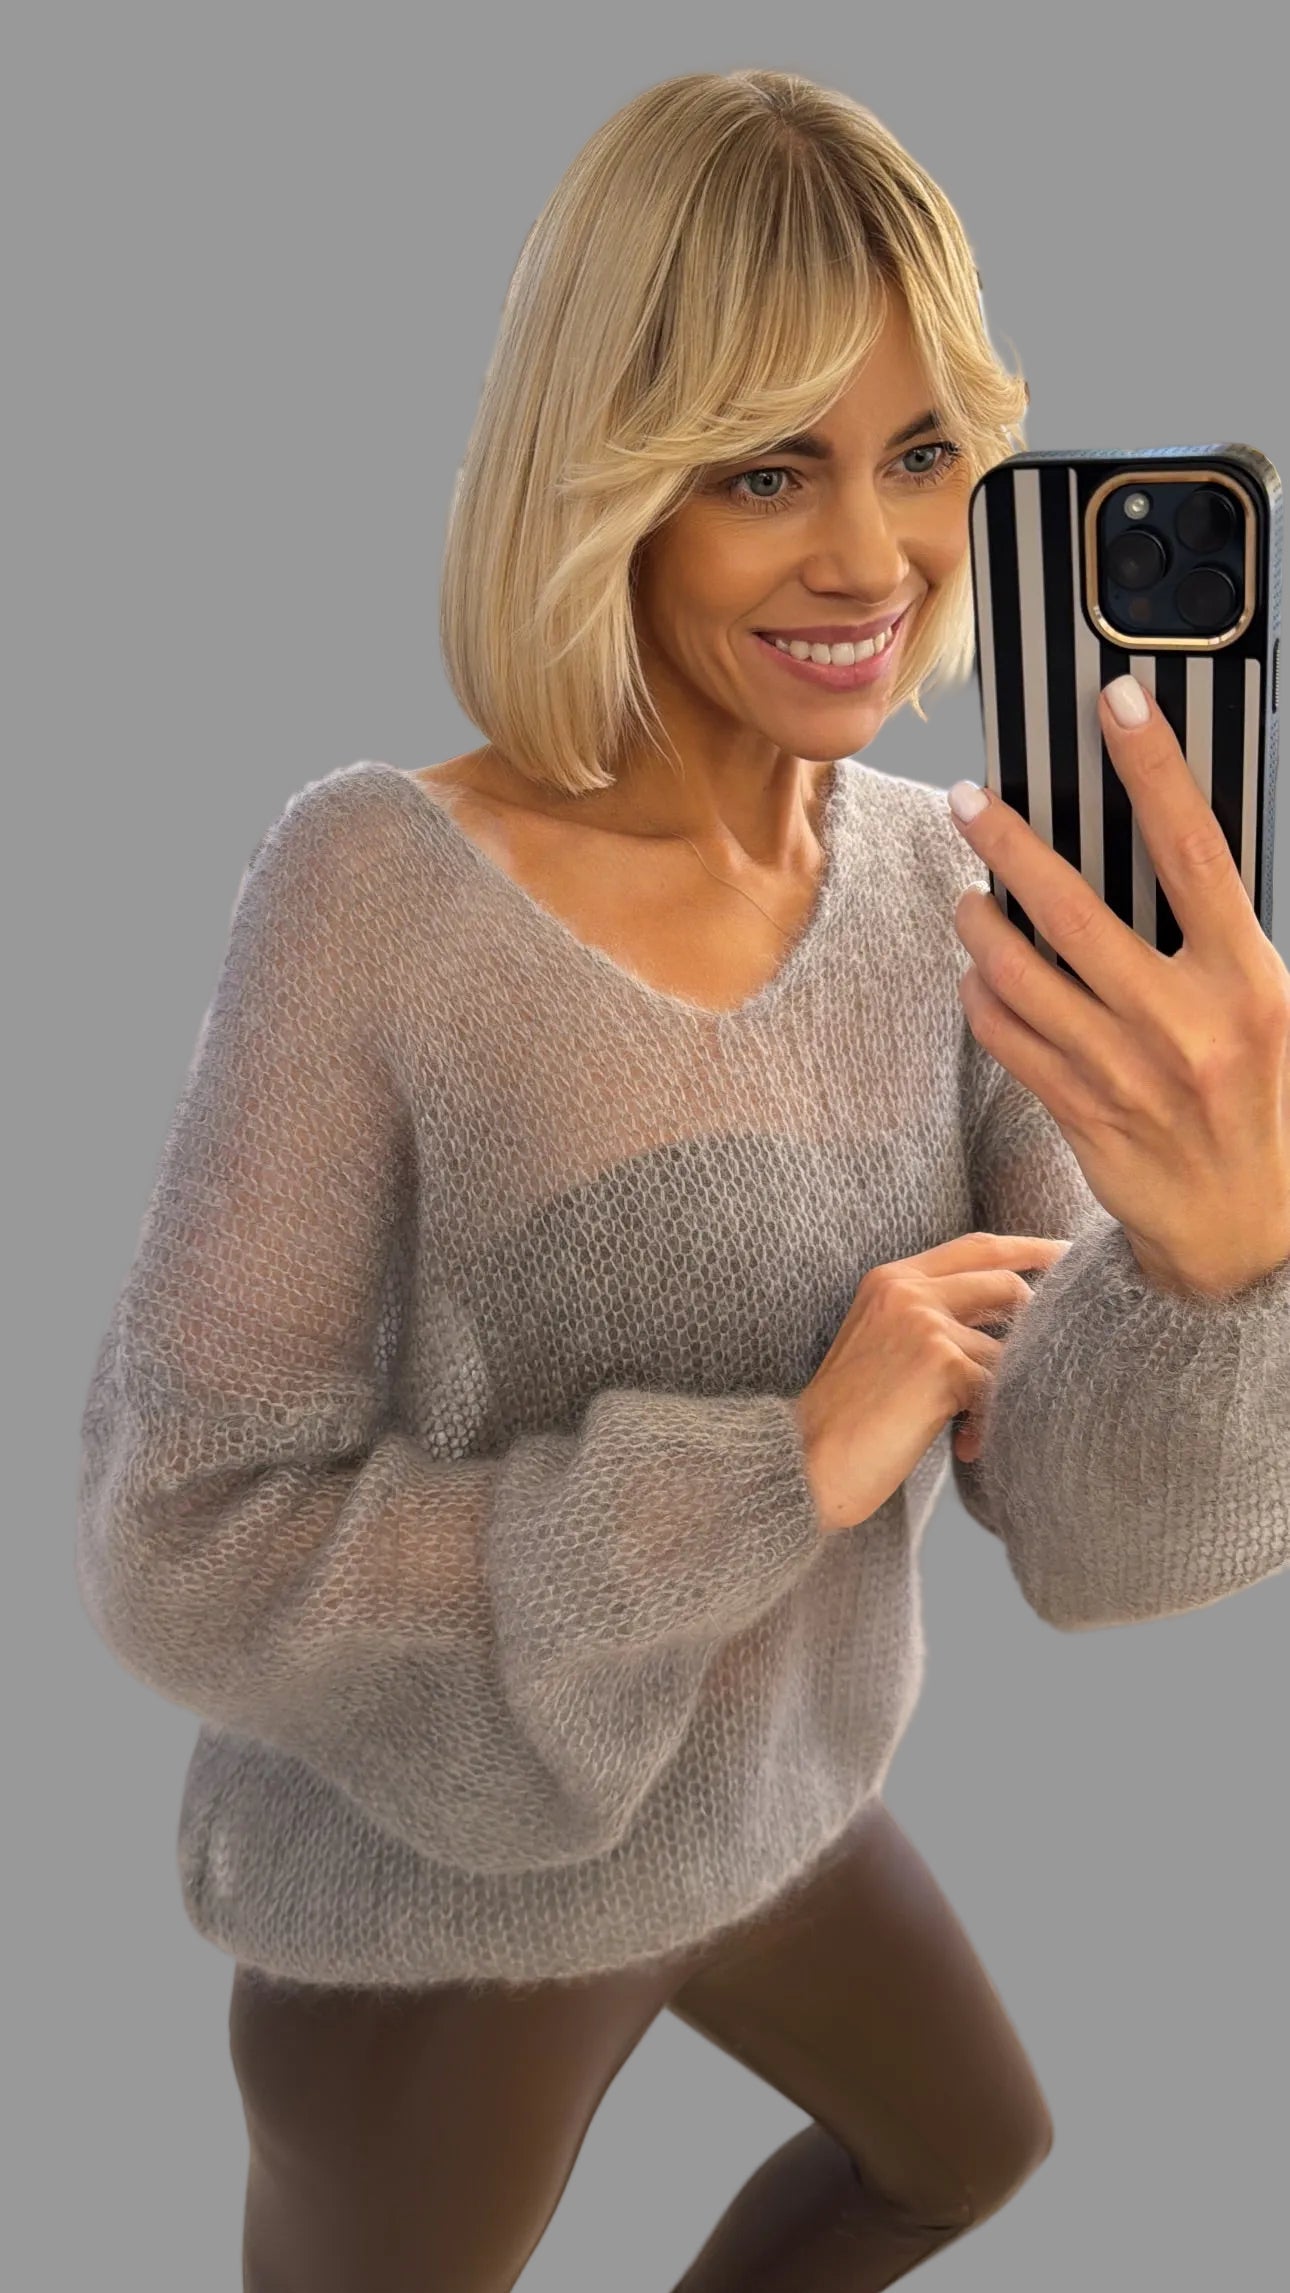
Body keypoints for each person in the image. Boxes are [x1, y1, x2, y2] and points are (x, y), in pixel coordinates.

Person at [76, 64, 1290, 2293]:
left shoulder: (958, 889)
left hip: (772, 1811)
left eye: (920, 453)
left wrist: (1223, 1268)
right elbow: (176, 1542)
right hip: (445, 1915)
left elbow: (1089, 1529)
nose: (871, 560)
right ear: (604, 476)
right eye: (763, 470)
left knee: (966, 2151)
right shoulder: (376, 888)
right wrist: (778, 1466)